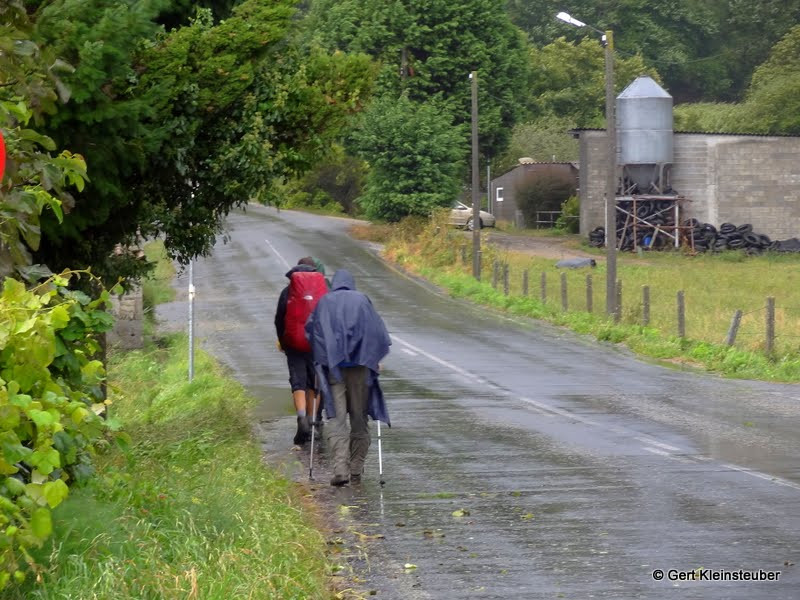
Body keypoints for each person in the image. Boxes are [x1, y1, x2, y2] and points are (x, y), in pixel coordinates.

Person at [305, 269, 391, 486]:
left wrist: (321, 358)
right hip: (360, 367)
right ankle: (356, 467)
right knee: (360, 417)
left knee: (338, 418)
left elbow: (312, 331)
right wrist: (374, 357)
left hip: (334, 370)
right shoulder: (362, 300)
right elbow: (377, 331)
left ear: (334, 284)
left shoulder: (325, 302)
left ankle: (340, 470)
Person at [274, 257, 328, 445]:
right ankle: (313, 422)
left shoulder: (288, 291)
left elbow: (279, 319)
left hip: (294, 345)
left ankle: (301, 418)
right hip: (316, 345)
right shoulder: (323, 291)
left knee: (298, 382)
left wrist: (283, 341)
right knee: (315, 384)